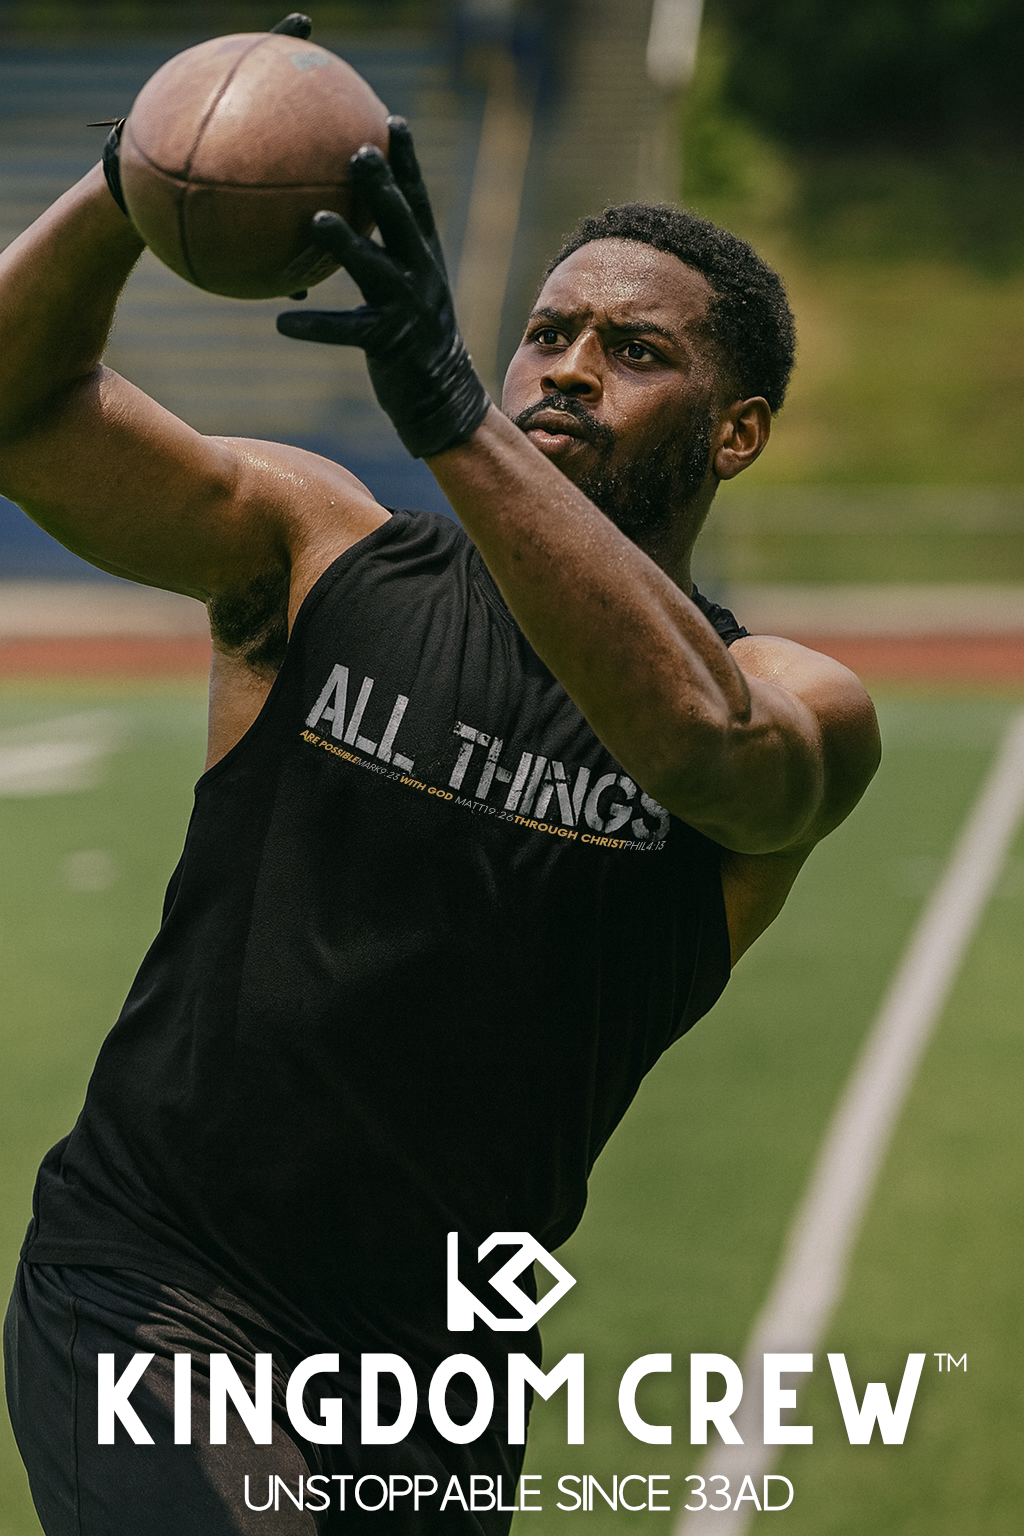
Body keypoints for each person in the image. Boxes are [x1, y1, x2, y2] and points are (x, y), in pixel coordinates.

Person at [0, 43, 880, 1536]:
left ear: (738, 434)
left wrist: (452, 412)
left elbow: (700, 752)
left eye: (637, 351)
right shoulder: (314, 546)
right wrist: (136, 176)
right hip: (161, 1279)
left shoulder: (797, 701)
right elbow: (21, 413)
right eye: (546, 334)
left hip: (433, 1374)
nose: (571, 367)